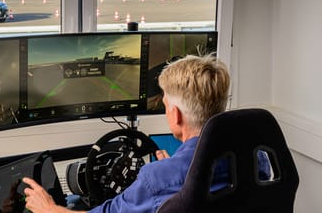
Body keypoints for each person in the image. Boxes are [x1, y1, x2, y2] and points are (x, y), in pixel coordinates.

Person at [22, 54, 232, 213]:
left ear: (175, 115)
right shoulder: (254, 157)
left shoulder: (159, 178)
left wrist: (49, 208)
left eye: (166, 104)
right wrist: (174, 171)